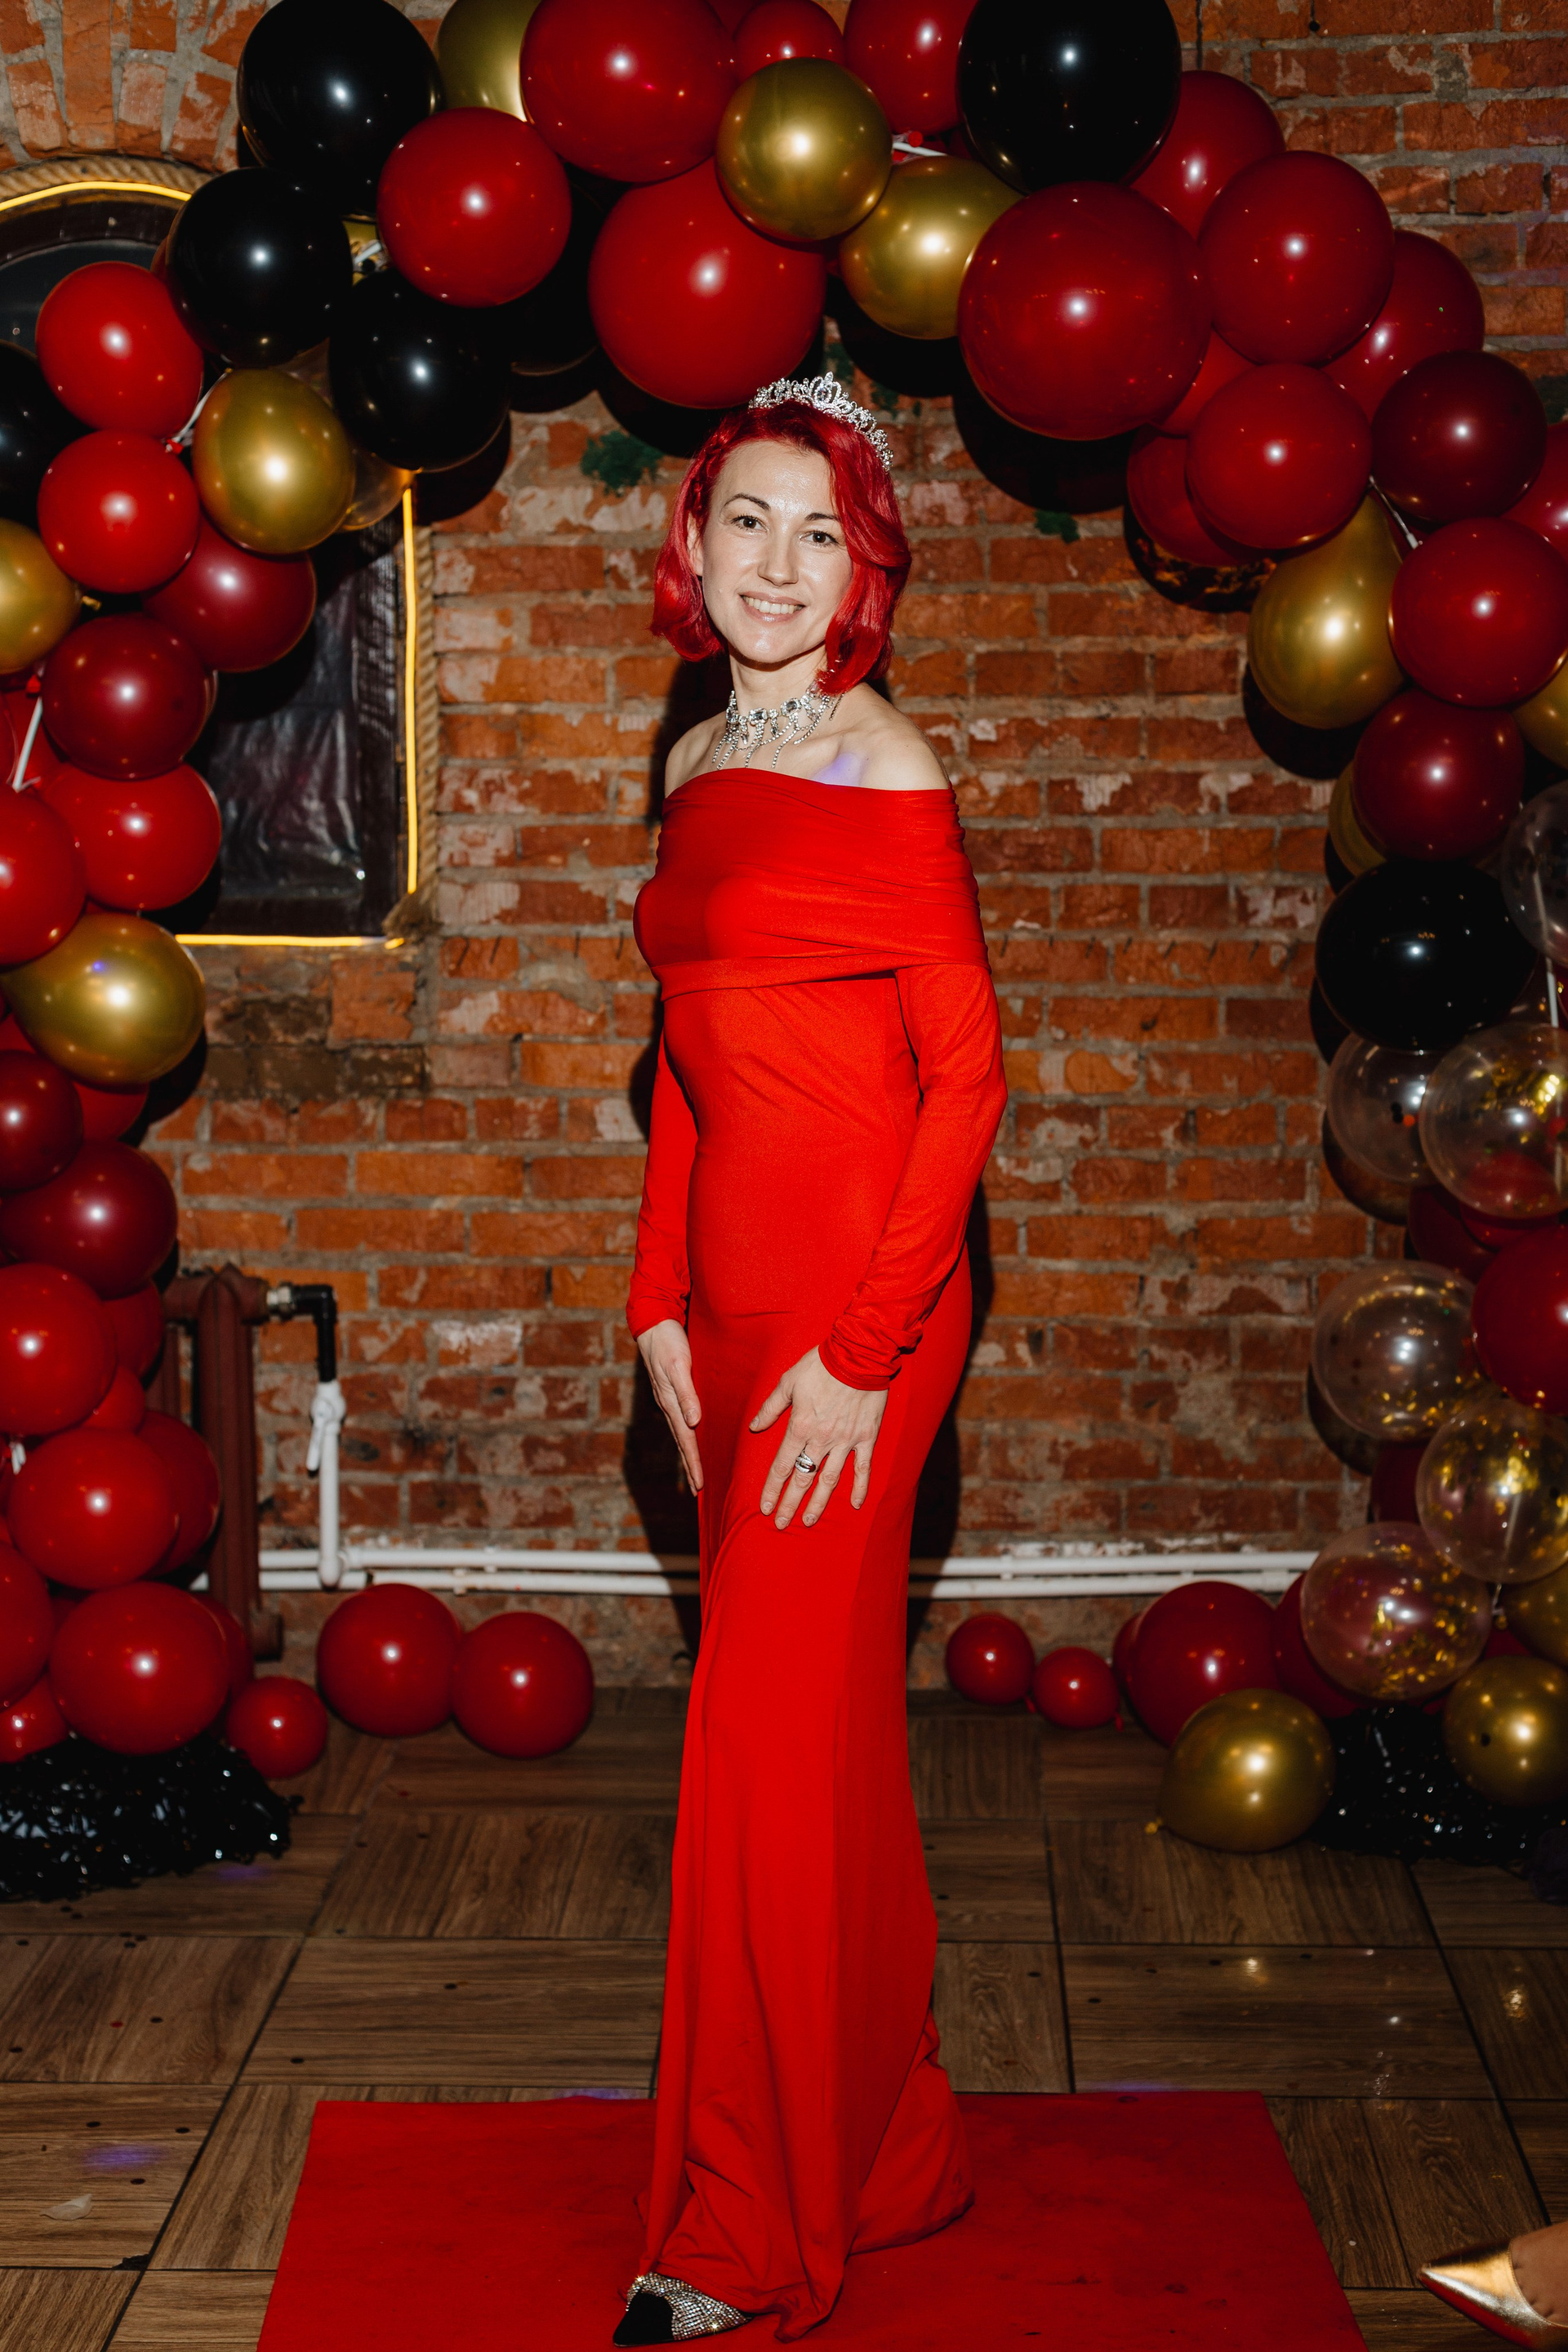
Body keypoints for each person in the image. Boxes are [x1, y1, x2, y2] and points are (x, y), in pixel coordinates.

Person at [619, 374, 1006, 2346]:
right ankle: (887, 2143)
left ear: (865, 568)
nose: (779, 565)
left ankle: (749, 2229)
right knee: (821, 1735)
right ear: (694, 547)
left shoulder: (883, 759)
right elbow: (688, 1062)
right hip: (735, 1304)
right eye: (747, 522)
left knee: (759, 1742)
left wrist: (864, 1353)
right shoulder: (699, 757)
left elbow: (969, 1083)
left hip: (867, 1306)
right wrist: (654, 1305)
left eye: (819, 533)